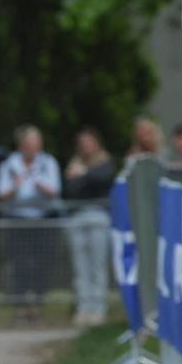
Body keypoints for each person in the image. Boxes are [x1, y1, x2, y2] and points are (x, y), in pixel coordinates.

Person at [0, 124, 61, 322]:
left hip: (42, 219)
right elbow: (1, 193)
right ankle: (21, 305)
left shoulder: (48, 163)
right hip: (17, 220)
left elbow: (54, 191)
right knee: (20, 264)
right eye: (32, 141)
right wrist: (16, 186)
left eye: (37, 141)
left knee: (42, 263)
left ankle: (38, 304)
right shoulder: (9, 165)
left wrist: (37, 182)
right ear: (22, 144)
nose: (36, 145)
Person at [64, 127, 116, 326]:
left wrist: (83, 174)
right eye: (82, 143)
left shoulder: (105, 162)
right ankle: (84, 307)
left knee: (97, 267)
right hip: (78, 218)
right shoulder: (74, 163)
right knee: (80, 268)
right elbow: (71, 189)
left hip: (99, 217)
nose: (86, 146)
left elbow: (102, 179)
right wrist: (86, 177)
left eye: (89, 142)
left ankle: (98, 308)